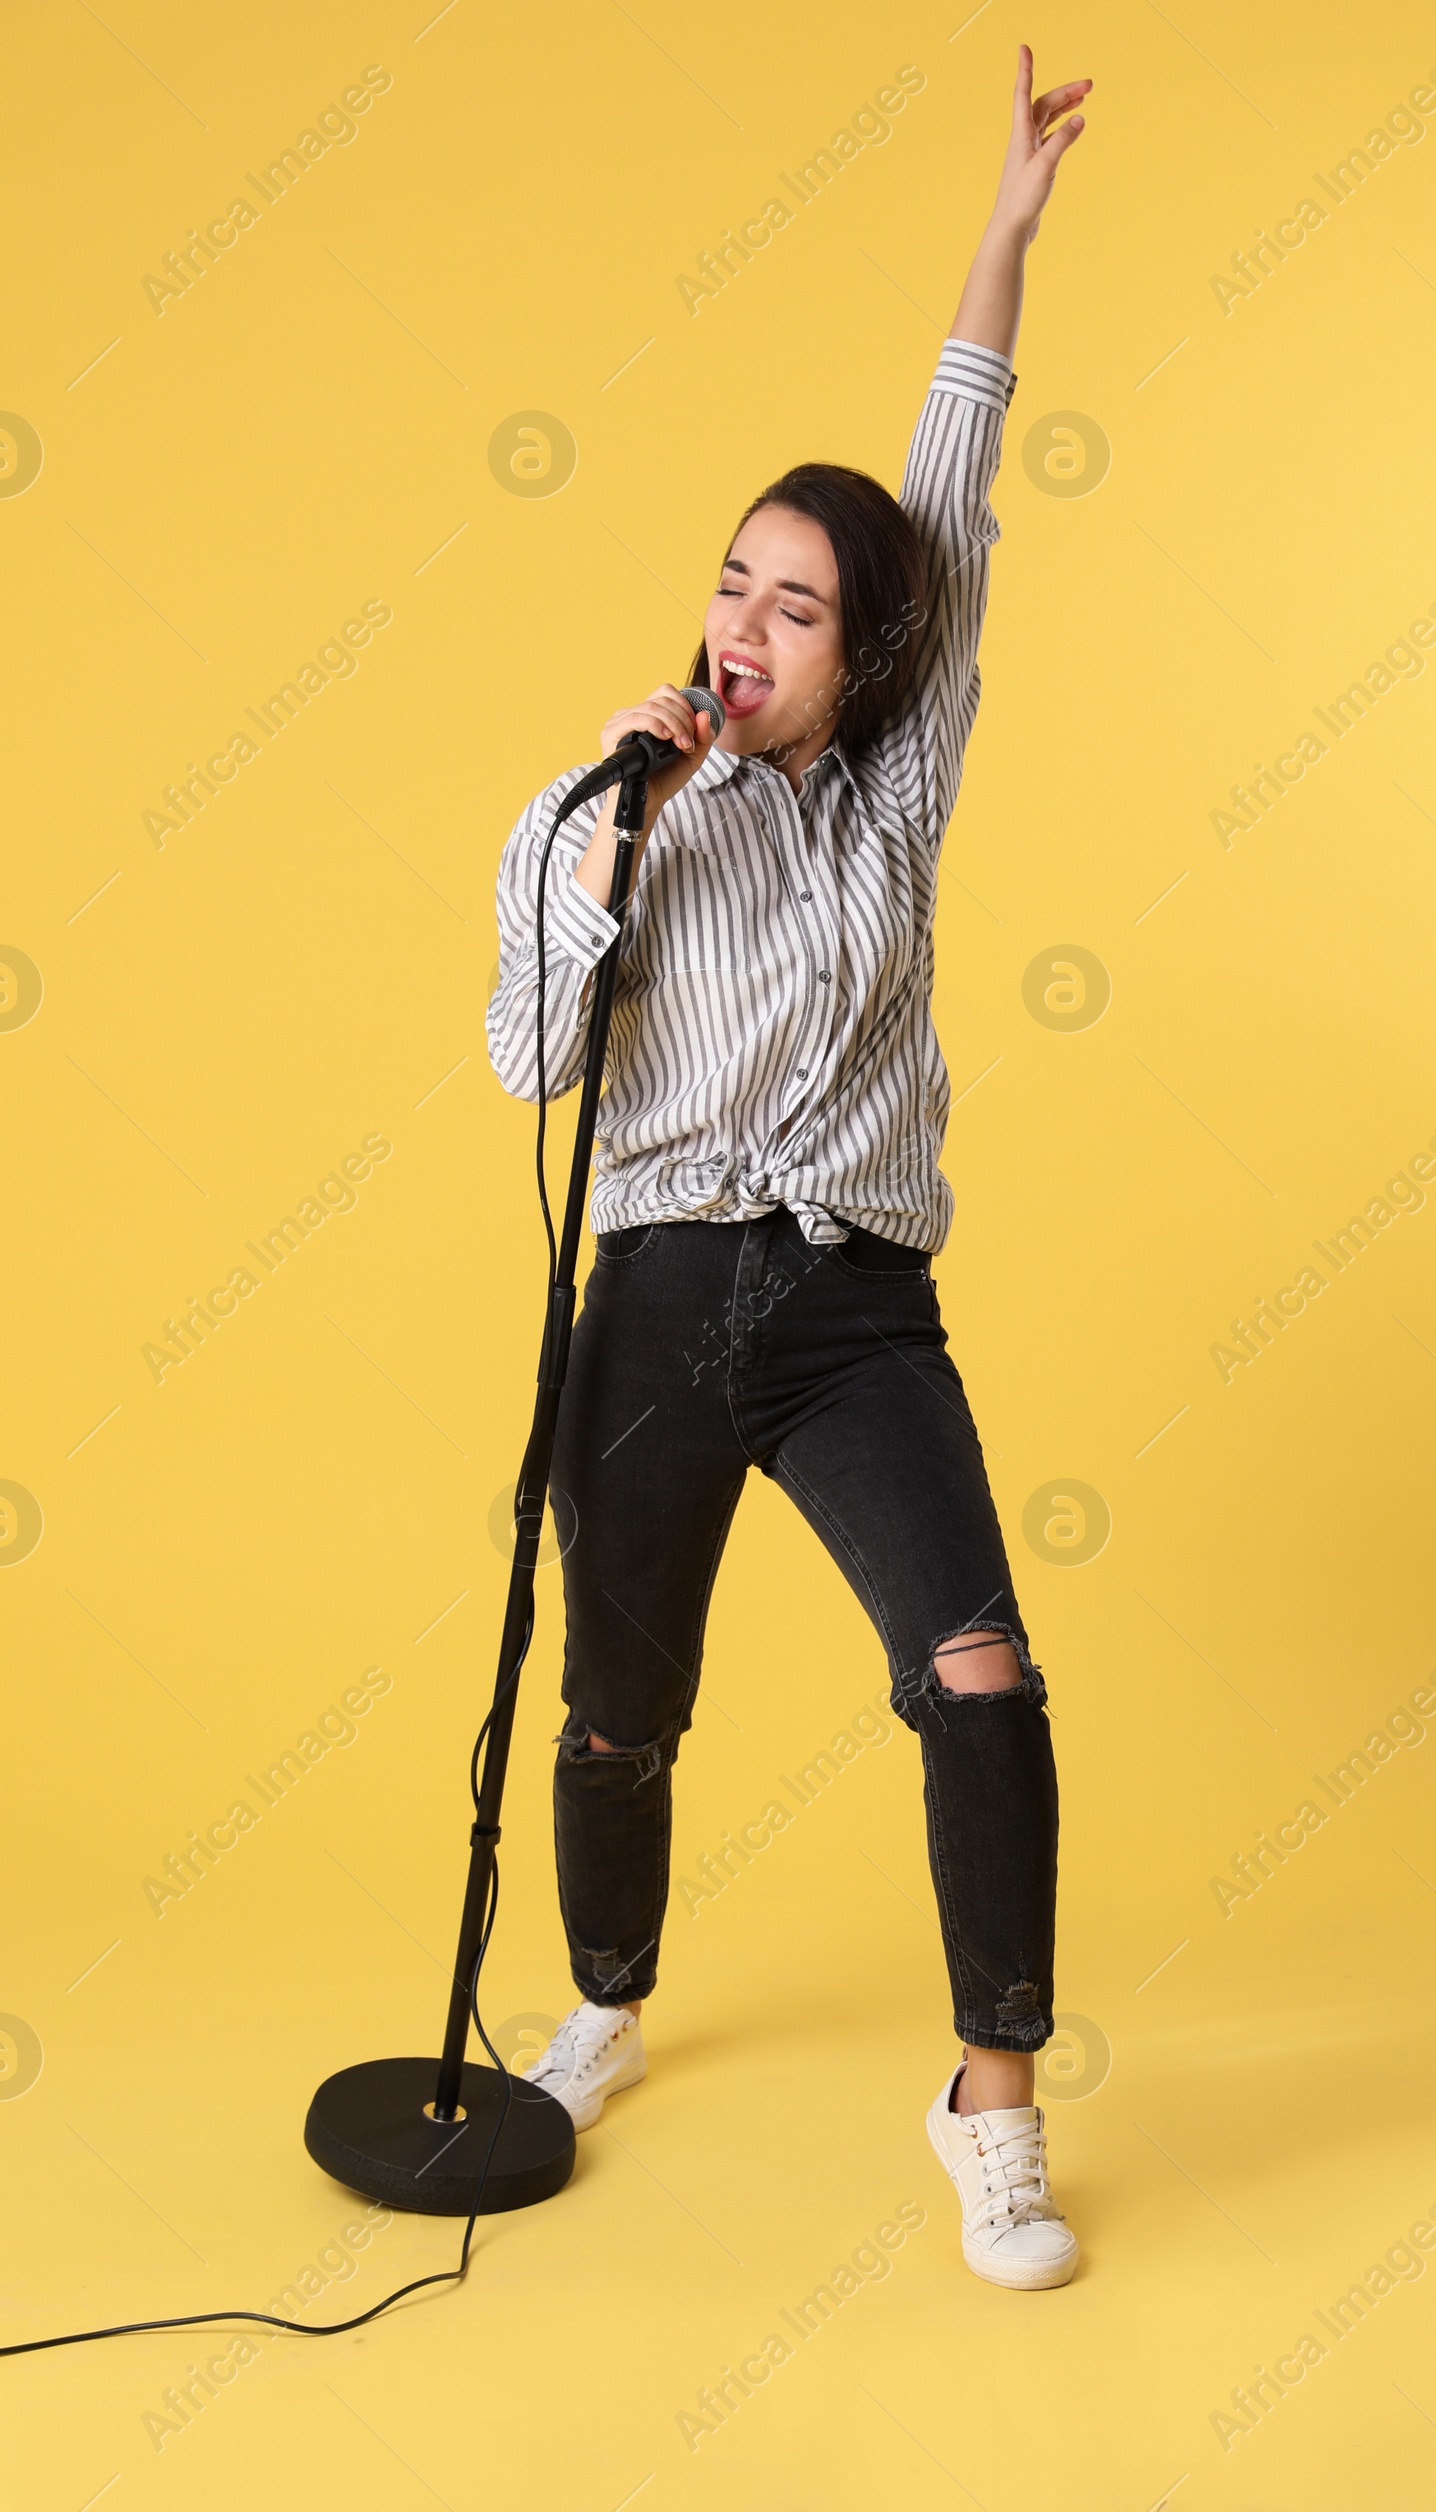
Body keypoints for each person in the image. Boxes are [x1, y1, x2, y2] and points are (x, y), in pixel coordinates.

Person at [486, 47, 1092, 2291]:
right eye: (732, 584)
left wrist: (1001, 242)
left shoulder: (887, 794)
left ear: (865, 659)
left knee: (981, 1673)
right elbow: (522, 1057)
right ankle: (606, 2003)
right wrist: (601, 844)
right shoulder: (604, 806)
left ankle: (992, 2105)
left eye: (800, 606)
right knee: (618, 1698)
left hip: (842, 1302)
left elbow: (945, 474)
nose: (745, 626)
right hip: (647, 1284)